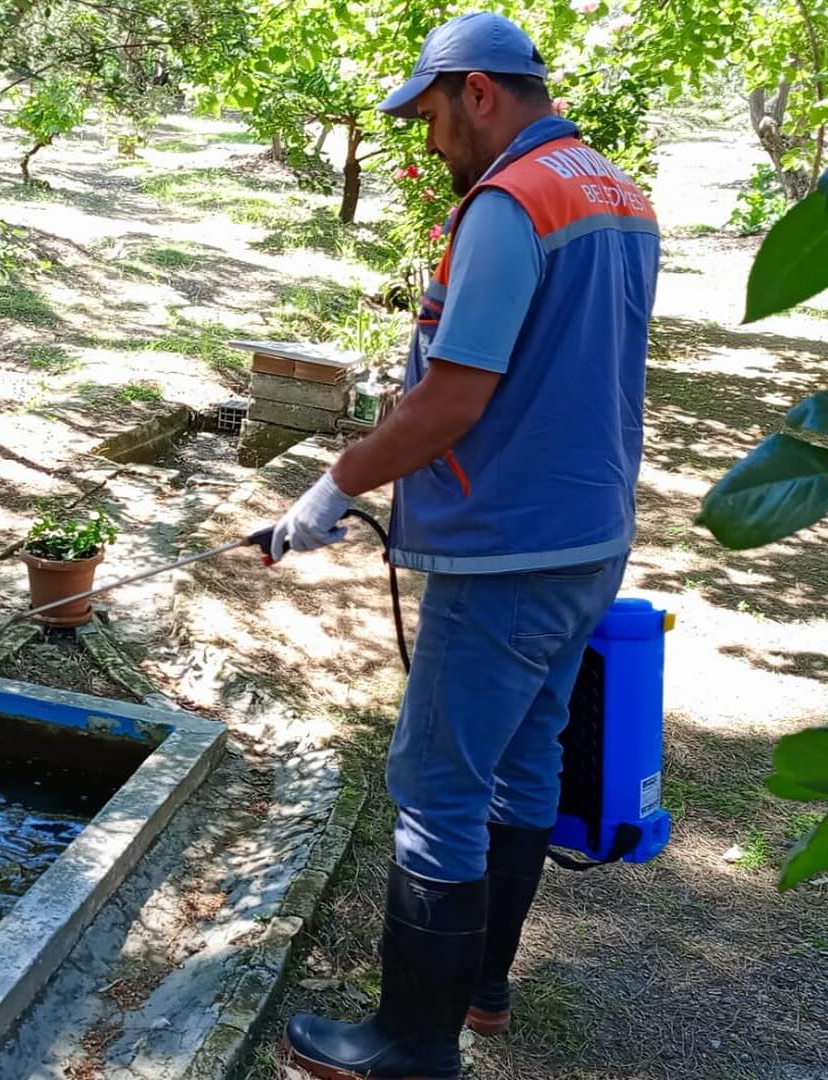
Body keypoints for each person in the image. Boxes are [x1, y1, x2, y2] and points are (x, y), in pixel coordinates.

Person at [271, 12, 660, 1080]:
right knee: (525, 755)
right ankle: (482, 989)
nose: (428, 142)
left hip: (508, 551)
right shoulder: (615, 192)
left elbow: (453, 398)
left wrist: (332, 486)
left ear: (479, 92)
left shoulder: (510, 203)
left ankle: (409, 1047)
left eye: (432, 116)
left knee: (438, 779)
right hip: (591, 538)